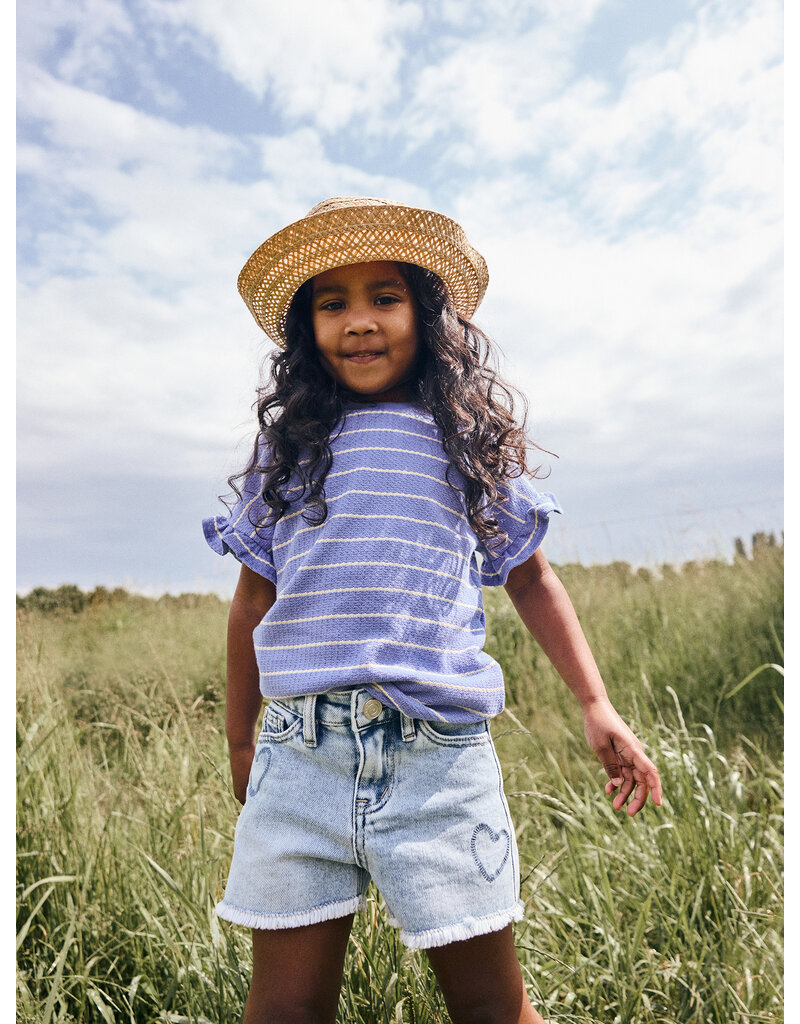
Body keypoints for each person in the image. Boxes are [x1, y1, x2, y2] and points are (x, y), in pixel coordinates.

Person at [203, 197, 663, 1024]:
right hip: (300, 759)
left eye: (385, 296)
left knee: (493, 1008)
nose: (359, 322)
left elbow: (531, 580)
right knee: (282, 1011)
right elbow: (250, 605)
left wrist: (596, 704)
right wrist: (240, 741)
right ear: (308, 329)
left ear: (426, 309)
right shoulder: (291, 450)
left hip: (437, 761)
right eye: (331, 303)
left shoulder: (462, 440)